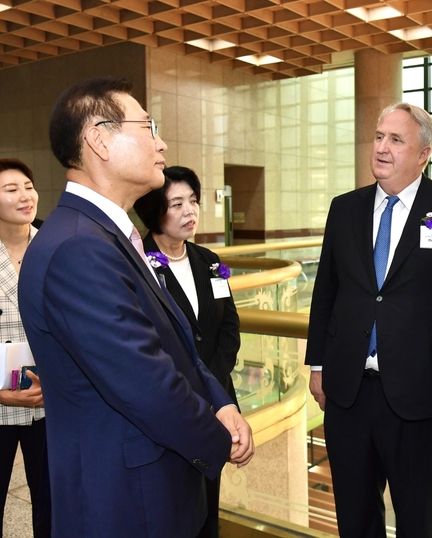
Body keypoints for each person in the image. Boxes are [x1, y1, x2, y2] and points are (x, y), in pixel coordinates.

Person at [17, 77, 254, 538]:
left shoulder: (104, 235)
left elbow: (174, 344)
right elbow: (146, 382)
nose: (161, 142)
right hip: (127, 501)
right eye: (148, 127)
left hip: (147, 487)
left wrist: (220, 402)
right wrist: (218, 438)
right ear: (100, 141)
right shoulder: (78, 248)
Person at [305, 102, 432, 538]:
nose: (382, 148)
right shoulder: (345, 208)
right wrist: (317, 364)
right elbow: (327, 293)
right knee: (354, 517)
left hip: (423, 393)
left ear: (423, 154)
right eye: (378, 137)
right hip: (347, 393)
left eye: (396, 139)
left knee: (419, 518)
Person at [134, 165, 243, 538]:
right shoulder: (138, 264)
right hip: (169, 405)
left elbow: (229, 328)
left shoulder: (210, 262)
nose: (189, 211)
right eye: (176, 203)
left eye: (193, 201)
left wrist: (213, 382)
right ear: (153, 211)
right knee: (172, 506)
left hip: (216, 405)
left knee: (208, 503)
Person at [0, 158, 50, 538]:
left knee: (52, 503)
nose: (24, 196)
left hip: (52, 401)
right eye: (11, 189)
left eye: (28, 186)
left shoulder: (55, 245)